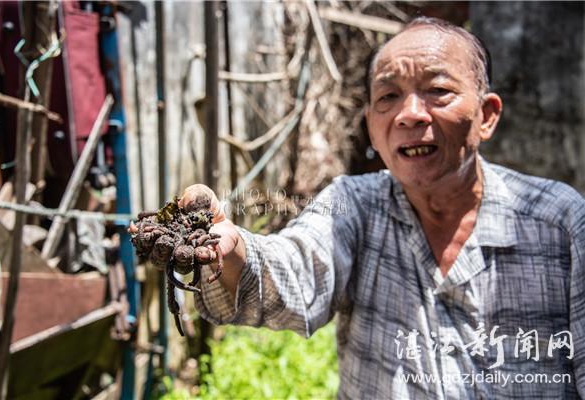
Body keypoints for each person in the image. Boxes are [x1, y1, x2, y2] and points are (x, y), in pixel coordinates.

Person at [177, 17, 584, 399]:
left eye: (438, 91)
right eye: (389, 96)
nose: (409, 114)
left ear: (486, 116)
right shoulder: (354, 204)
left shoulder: (561, 224)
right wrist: (231, 248)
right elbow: (296, 270)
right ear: (372, 125)